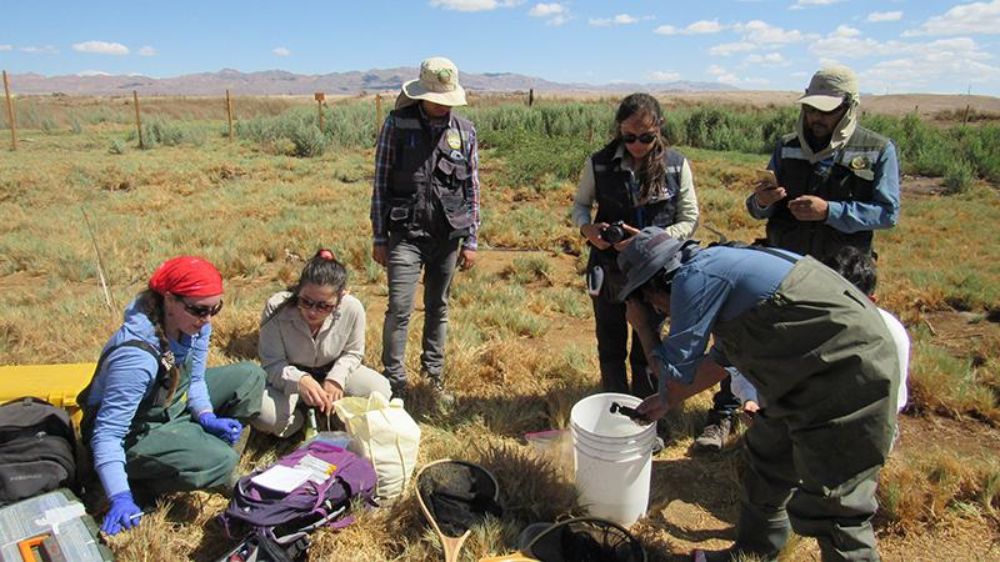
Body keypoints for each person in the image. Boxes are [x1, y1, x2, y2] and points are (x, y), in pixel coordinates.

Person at [618, 227, 898, 562]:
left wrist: (644, 327)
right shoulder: (719, 265)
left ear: (654, 285)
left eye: (650, 302)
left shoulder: (694, 278)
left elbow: (672, 374)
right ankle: (755, 552)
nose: (658, 309)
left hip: (846, 372)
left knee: (835, 504)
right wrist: (667, 400)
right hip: (806, 375)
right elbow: (720, 361)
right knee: (769, 457)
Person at [697, 64, 902, 452]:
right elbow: (756, 207)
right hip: (783, 267)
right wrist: (762, 201)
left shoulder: (876, 149)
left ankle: (818, 429)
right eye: (810, 109)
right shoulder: (788, 145)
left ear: (849, 108)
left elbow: (887, 212)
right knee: (753, 338)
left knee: (832, 351)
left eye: (826, 111)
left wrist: (831, 212)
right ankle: (725, 413)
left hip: (839, 275)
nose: (815, 118)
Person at [78, 256, 265, 536]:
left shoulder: (195, 325)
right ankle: (141, 484)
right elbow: (107, 435)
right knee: (222, 460)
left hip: (170, 403)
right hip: (134, 431)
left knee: (250, 376)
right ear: (169, 300)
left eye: (215, 309)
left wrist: (206, 415)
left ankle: (196, 445)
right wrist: (119, 496)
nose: (207, 319)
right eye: (199, 310)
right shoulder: (136, 359)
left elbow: (196, 380)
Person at [573, 92, 699, 398]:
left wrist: (651, 242)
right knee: (610, 341)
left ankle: (646, 406)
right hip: (609, 268)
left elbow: (689, 217)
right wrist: (587, 228)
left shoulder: (676, 164)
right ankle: (613, 403)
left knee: (648, 343)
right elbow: (580, 205)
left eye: (646, 137)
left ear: (660, 127)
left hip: (656, 272)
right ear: (619, 129)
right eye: (629, 137)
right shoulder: (599, 163)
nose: (638, 145)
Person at [370, 56, 480, 404]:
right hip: (405, 235)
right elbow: (381, 182)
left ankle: (433, 377)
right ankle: (394, 381)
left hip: (447, 236)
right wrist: (379, 236)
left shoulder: (465, 131)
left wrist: (472, 239)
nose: (441, 105)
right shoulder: (397, 125)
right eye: (436, 99)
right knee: (399, 309)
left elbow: (472, 188)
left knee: (438, 308)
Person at [732, 246, 910, 437]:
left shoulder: (890, 334)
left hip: (860, 427)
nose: (835, 311)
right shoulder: (800, 317)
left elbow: (887, 407)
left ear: (870, 302)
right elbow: (750, 361)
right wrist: (750, 397)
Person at [253, 249, 392, 437]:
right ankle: (298, 420)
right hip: (288, 376)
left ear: (341, 297)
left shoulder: (352, 308)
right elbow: (272, 363)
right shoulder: (276, 308)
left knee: (379, 391)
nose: (312, 312)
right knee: (265, 415)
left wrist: (336, 378)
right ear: (298, 290)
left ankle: (337, 414)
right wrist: (300, 380)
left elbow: (353, 353)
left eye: (324, 306)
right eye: (306, 301)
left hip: (332, 368)